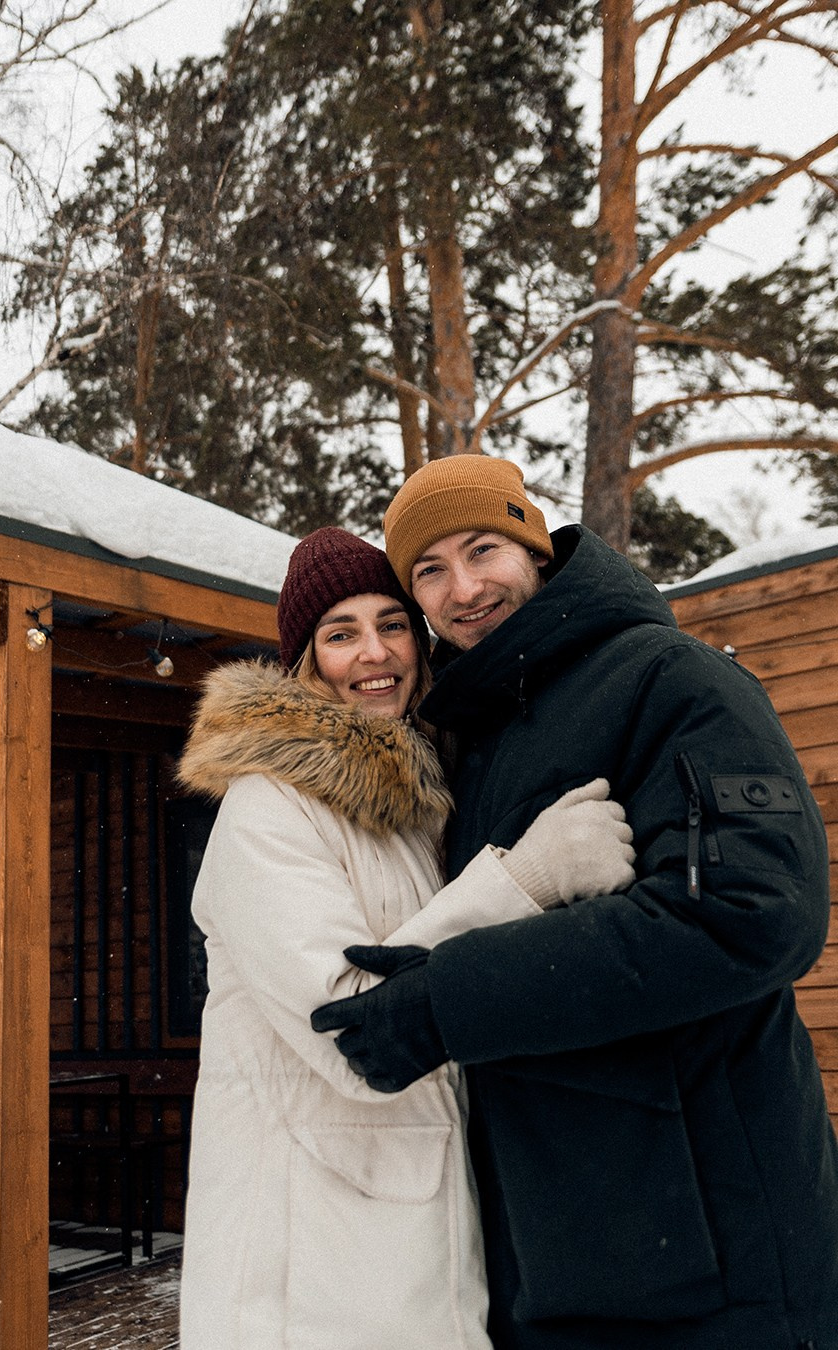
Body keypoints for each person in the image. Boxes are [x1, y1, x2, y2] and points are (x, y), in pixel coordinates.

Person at [311, 457, 838, 1350]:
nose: (464, 588)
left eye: (484, 550)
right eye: (430, 571)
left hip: (714, 1264)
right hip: (558, 1261)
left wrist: (445, 1002)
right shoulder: (468, 733)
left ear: (537, 547)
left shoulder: (672, 680)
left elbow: (751, 913)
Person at [177, 526, 636, 1350]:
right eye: (341, 634)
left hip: (425, 1257)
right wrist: (524, 879)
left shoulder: (415, 813)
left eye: (392, 624)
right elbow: (350, 1028)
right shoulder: (267, 810)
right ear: (306, 664)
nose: (374, 653)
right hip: (305, 1275)